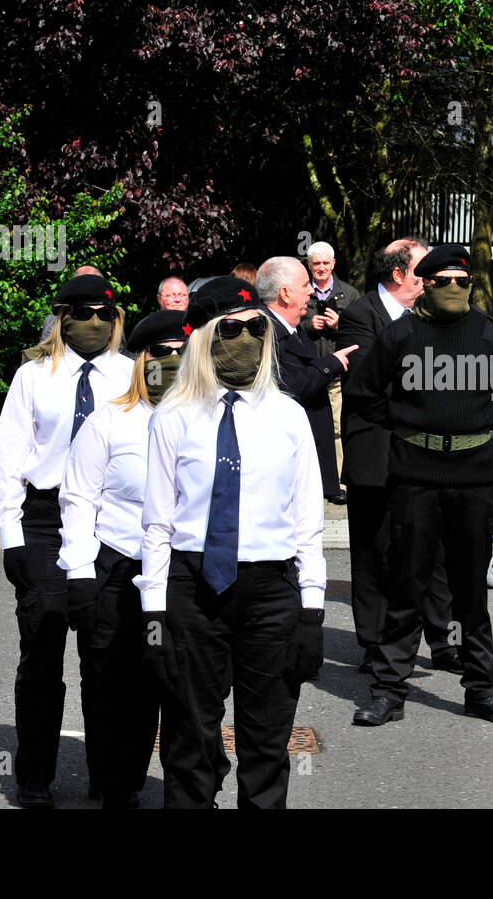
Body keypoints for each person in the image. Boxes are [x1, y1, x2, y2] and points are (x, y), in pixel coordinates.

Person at [138, 277, 325, 809]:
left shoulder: (289, 417)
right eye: (230, 328)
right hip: (193, 587)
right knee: (190, 734)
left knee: (267, 740)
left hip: (270, 590)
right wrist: (154, 612)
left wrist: (311, 611)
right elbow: (157, 523)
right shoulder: (172, 416)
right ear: (203, 338)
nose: (244, 339)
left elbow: (308, 521)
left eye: (255, 329)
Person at [345, 244, 493, 727]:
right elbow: (363, 392)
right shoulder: (400, 335)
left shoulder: (492, 336)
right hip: (413, 477)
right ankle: (389, 690)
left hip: (471, 479)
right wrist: (406, 422)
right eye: (443, 280)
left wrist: (477, 422)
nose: (454, 288)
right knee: (406, 583)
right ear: (424, 284)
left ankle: (481, 688)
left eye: (461, 280)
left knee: (472, 589)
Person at [0, 273, 132, 808]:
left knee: (107, 656)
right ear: (62, 316)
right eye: (82, 311)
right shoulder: (34, 376)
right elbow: (8, 456)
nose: (93, 322)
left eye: (104, 312)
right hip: (45, 520)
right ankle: (33, 776)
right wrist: (11, 536)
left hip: (108, 521)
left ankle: (109, 779)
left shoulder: (131, 374)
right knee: (43, 651)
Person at [58, 309, 186, 809]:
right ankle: (115, 784)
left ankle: (187, 789)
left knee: (178, 684)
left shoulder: (205, 418)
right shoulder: (110, 419)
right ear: (141, 359)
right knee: (113, 681)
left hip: (179, 571)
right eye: (160, 353)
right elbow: (79, 498)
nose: (171, 362)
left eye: (182, 353)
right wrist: (81, 570)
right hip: (117, 565)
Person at [337, 238, 460, 676]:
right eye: (423, 271)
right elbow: (372, 381)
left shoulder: (435, 315)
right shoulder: (359, 315)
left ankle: (445, 641)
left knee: (434, 548)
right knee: (374, 552)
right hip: (375, 456)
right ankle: (373, 643)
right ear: (399, 276)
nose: (431, 280)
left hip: (426, 454)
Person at [256, 256, 357, 503]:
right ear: (285, 294)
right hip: (288, 469)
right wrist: (329, 364)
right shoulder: (265, 333)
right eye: (304, 285)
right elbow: (289, 386)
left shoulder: (291, 329)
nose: (312, 291)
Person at [301, 241, 361, 493]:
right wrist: (307, 324)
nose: (322, 268)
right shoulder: (301, 291)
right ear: (309, 265)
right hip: (309, 368)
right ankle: (308, 482)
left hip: (337, 370)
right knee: (307, 426)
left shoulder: (350, 294)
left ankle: (336, 483)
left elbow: (360, 334)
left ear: (334, 263)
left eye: (326, 263)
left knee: (337, 427)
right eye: (317, 263)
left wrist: (340, 325)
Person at [37, 264, 105, 344]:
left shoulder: (112, 318)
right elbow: (44, 352)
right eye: (82, 283)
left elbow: (118, 352)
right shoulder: (55, 320)